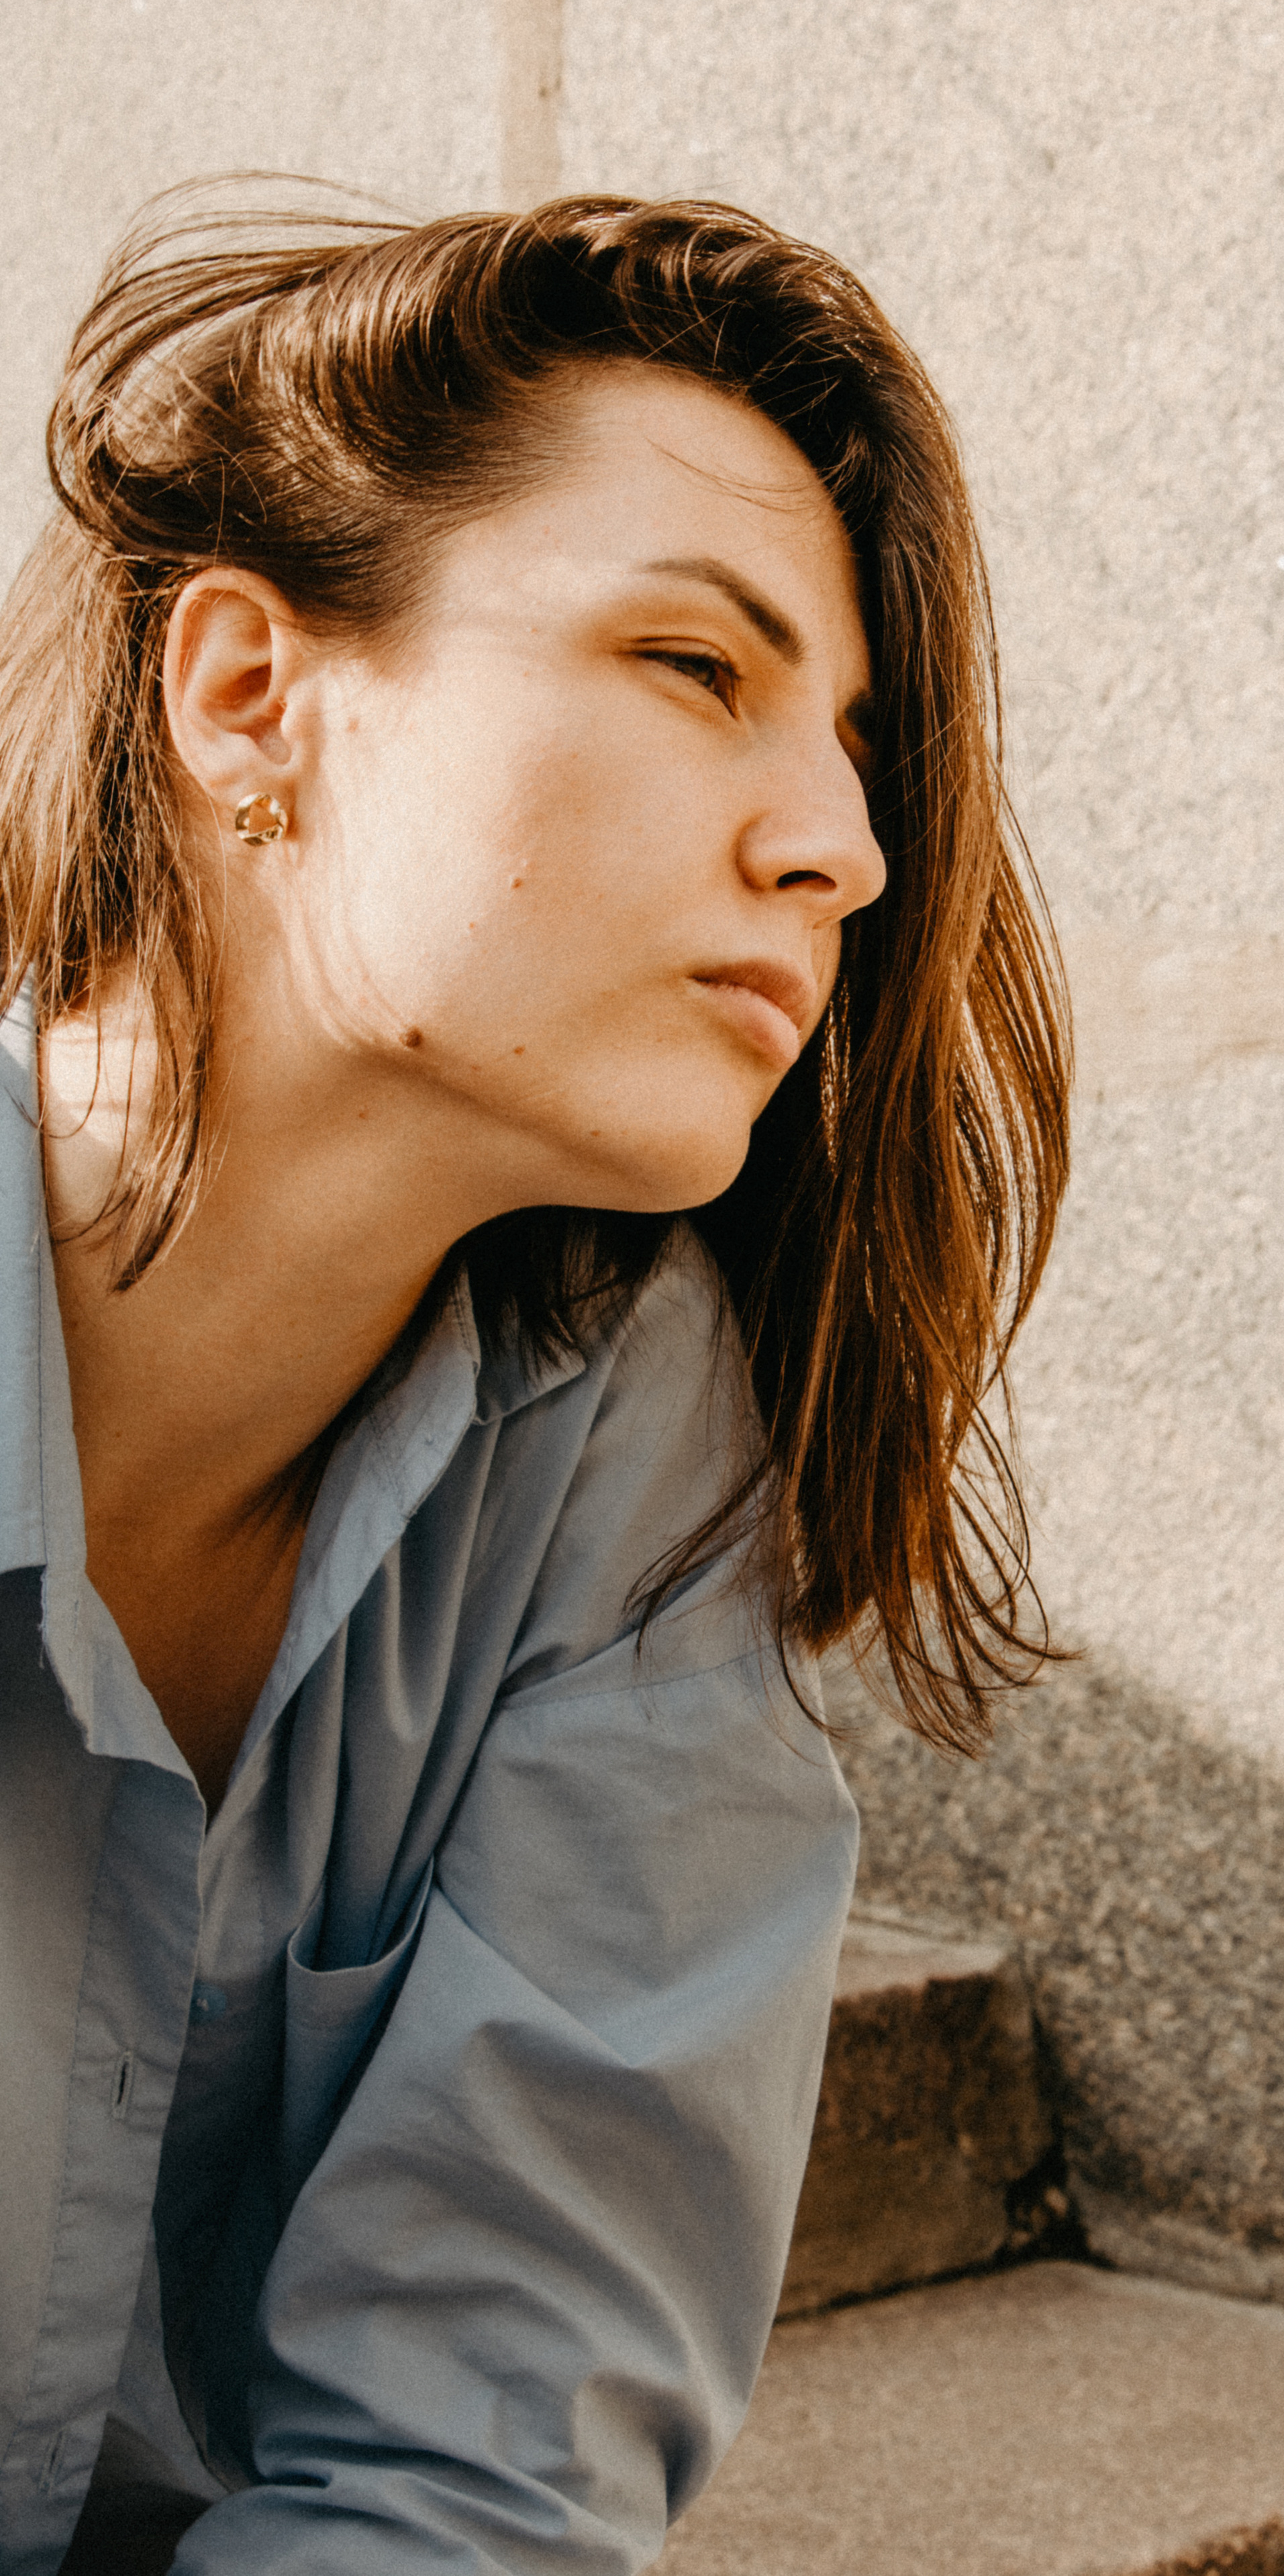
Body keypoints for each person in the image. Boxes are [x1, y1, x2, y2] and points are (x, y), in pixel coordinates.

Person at [0, 184, 1071, 2575]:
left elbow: (471, 2467)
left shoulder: (624, 1434)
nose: (844, 848)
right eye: (701, 667)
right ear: (247, 696)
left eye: (857, 744)